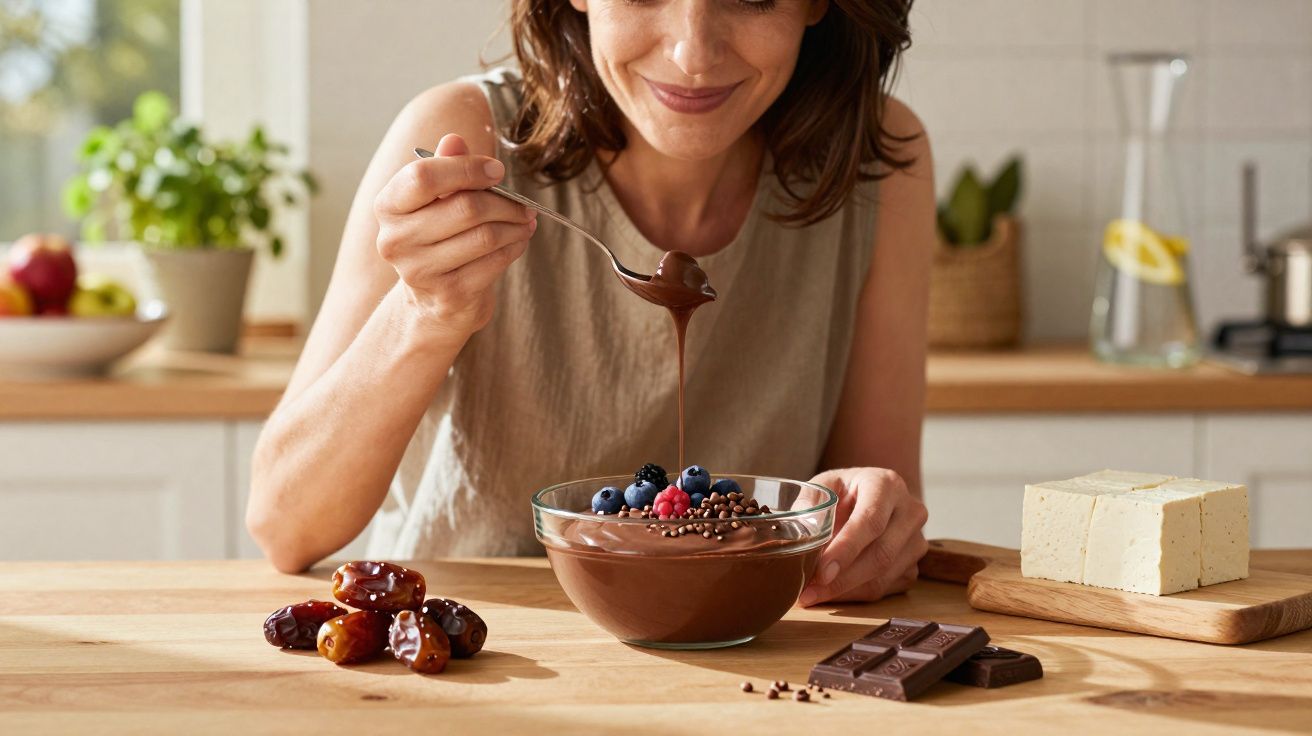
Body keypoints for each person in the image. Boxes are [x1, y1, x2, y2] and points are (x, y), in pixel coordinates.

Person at [247, 0, 933, 607]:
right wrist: (422, 313)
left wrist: (871, 523)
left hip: (735, 659)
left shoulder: (875, 160)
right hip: (468, 656)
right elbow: (284, 524)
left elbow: (867, 506)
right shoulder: (465, 143)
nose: (693, 51)